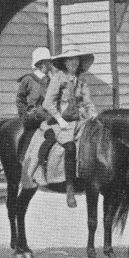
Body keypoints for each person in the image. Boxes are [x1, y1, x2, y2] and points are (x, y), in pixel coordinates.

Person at [43, 49, 99, 208]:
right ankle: (69, 188)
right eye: (70, 60)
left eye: (76, 60)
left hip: (81, 121)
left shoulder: (82, 81)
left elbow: (88, 103)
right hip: (62, 122)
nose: (74, 63)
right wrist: (60, 119)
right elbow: (48, 103)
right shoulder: (58, 78)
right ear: (64, 62)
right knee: (70, 148)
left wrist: (95, 116)